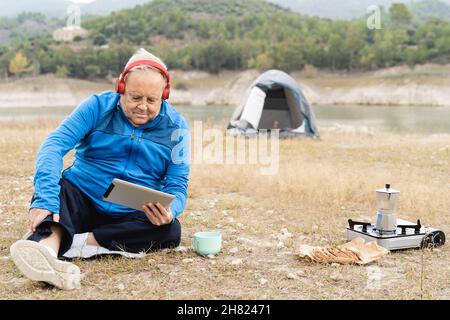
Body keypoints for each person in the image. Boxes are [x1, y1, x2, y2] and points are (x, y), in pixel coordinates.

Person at [9, 48, 190, 290]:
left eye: (151, 100)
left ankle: (73, 242)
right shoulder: (96, 106)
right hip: (82, 196)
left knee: (170, 230)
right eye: (135, 97)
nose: (142, 107)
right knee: (59, 192)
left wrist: (170, 210)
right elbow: (53, 146)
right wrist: (44, 200)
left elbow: (177, 184)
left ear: (164, 95)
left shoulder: (177, 127)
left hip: (130, 213)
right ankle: (47, 253)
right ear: (121, 88)